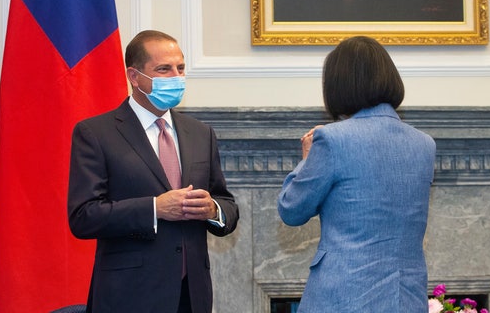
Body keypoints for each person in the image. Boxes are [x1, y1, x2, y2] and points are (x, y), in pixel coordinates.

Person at [68, 30, 239, 313]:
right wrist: (154, 208)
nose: (176, 76)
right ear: (134, 77)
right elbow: (83, 217)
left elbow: (228, 206)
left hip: (192, 295)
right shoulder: (96, 133)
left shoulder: (200, 133)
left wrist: (213, 210)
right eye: (164, 69)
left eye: (180, 68)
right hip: (129, 295)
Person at [277, 36, 436, 312]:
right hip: (406, 299)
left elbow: (292, 210)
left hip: (343, 297)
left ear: (339, 84)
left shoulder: (331, 140)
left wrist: (305, 160)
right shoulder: (424, 144)